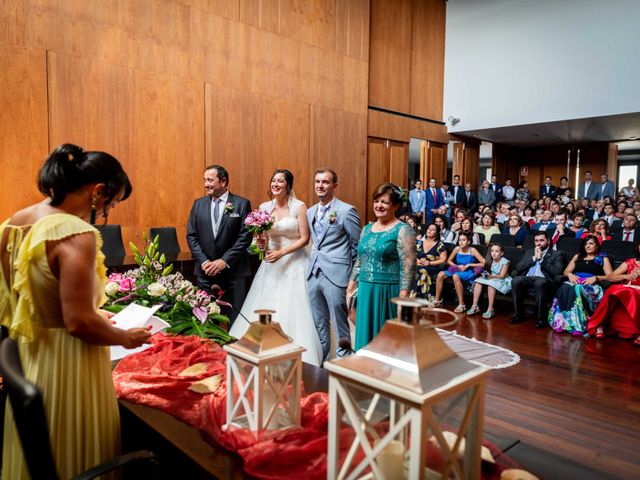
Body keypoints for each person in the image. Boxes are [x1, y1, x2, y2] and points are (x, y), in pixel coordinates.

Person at [0, 144, 152, 478]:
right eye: (111, 204)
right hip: (70, 368)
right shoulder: (75, 233)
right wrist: (126, 337)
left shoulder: (13, 224)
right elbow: (78, 323)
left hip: (32, 359)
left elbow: (29, 302)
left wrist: (94, 315)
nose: (106, 212)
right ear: (98, 192)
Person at [230, 170, 323, 366]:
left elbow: (305, 238)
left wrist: (282, 253)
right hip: (270, 263)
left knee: (291, 303)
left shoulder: (299, 207)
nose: (276, 184)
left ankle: (289, 345)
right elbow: (262, 237)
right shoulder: (265, 207)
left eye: (280, 181)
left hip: (293, 262)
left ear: (288, 185)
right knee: (265, 301)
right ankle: (260, 343)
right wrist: (262, 244)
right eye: (273, 180)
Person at [347, 183, 416, 350]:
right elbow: (360, 260)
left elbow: (408, 267)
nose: (379, 206)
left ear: (396, 205)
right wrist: (350, 289)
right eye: (376, 201)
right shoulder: (367, 229)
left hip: (388, 292)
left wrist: (403, 298)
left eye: (384, 202)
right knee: (365, 337)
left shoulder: (403, 230)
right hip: (365, 290)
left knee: (387, 340)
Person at [305, 168, 361, 362]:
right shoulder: (310, 211)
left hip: (337, 275)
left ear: (334, 186)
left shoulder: (346, 211)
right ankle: (322, 361)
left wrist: (352, 278)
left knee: (339, 323)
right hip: (313, 273)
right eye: (317, 182)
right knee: (319, 322)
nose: (320, 186)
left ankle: (343, 363)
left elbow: (357, 247)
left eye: (325, 182)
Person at [187, 165, 252, 320]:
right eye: (205, 180)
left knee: (235, 321)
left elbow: (245, 237)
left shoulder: (242, 204)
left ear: (223, 182)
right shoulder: (198, 204)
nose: (205, 184)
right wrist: (204, 263)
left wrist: (224, 261)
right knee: (206, 320)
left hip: (234, 272)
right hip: (205, 273)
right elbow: (191, 236)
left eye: (210, 180)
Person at [547, 235, 612, 335]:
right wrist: (570, 275)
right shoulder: (578, 256)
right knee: (563, 288)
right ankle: (562, 323)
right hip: (575, 281)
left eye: (591, 243)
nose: (588, 246)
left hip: (592, 284)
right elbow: (566, 271)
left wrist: (597, 278)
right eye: (585, 244)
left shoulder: (603, 258)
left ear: (597, 246)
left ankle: (578, 325)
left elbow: (610, 276)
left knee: (577, 289)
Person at [587, 243, 640, 343]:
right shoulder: (630, 262)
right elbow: (611, 277)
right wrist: (626, 276)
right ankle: (601, 323)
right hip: (628, 288)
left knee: (628, 292)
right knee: (615, 289)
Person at [511, 231, 566, 327]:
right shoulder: (529, 252)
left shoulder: (557, 254)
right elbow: (519, 267)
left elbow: (557, 272)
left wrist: (541, 259)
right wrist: (533, 258)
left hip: (544, 280)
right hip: (528, 278)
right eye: (536, 241)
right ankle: (518, 315)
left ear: (548, 241)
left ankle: (542, 319)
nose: (538, 243)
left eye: (541, 240)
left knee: (539, 282)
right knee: (516, 280)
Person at [431, 232, 485, 313]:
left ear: (468, 241)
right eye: (460, 240)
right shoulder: (457, 249)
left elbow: (484, 263)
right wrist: (456, 266)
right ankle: (437, 300)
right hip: (458, 268)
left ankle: (461, 304)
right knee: (441, 274)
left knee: (455, 276)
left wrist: (469, 264)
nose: (461, 242)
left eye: (464, 240)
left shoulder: (472, 250)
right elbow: (449, 260)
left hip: (469, 270)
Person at [467, 244, 512, 319]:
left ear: (502, 253)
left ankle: (490, 309)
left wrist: (491, 276)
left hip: (501, 279)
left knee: (491, 285)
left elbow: (502, 276)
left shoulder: (505, 261)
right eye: (492, 251)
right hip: (491, 277)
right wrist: (484, 274)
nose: (494, 253)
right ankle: (475, 306)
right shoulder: (489, 259)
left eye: (497, 251)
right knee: (478, 282)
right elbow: (485, 270)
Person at [413, 223, 447, 300]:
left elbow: (443, 259)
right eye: (429, 229)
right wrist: (417, 261)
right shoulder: (419, 243)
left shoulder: (440, 244)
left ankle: (421, 297)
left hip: (433, 267)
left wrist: (429, 263)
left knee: (422, 271)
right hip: (419, 265)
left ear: (437, 232)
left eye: (433, 229)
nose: (430, 231)